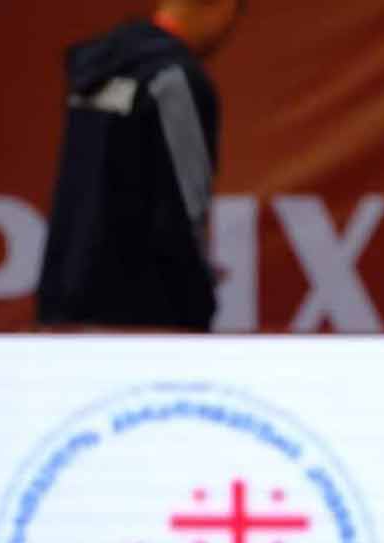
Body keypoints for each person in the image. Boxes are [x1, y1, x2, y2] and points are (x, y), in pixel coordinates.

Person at [36, 0, 244, 331]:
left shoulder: (102, 68)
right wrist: (196, 297)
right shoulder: (175, 81)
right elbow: (186, 207)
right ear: (224, 7)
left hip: (65, 303)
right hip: (144, 323)